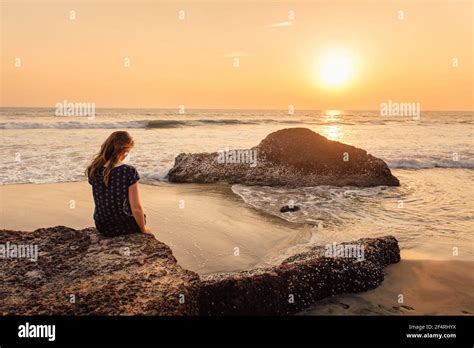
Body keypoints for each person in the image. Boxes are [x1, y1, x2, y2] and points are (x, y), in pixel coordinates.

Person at [85, 131, 151, 236]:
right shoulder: (128, 171)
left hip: (102, 226)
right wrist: (143, 229)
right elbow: (136, 208)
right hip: (125, 227)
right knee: (142, 217)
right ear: (123, 150)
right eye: (128, 152)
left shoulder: (94, 169)